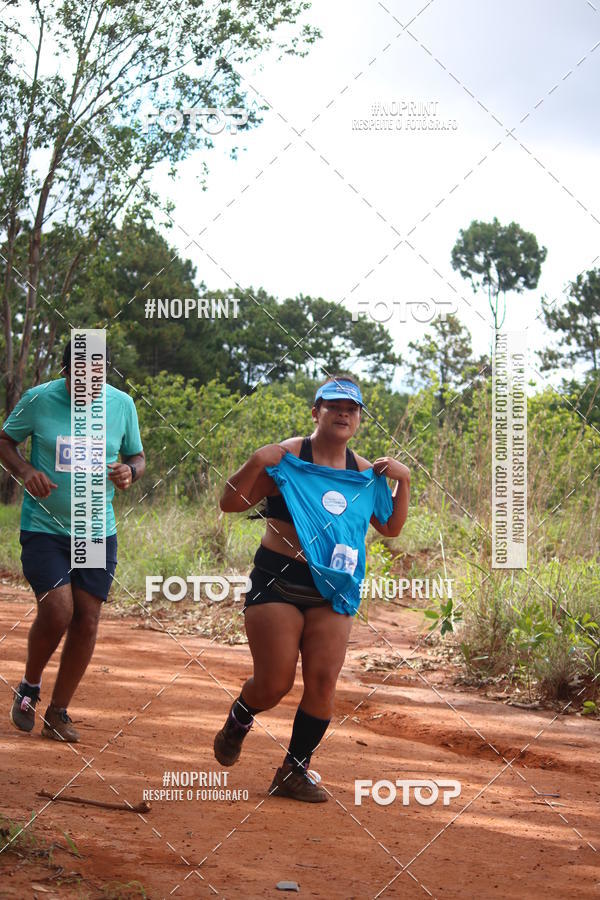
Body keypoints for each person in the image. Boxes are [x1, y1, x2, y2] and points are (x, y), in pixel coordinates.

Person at [213, 374, 410, 802]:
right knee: (275, 683)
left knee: (323, 682)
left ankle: (293, 771)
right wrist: (254, 461)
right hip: (279, 580)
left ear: (358, 418)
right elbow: (229, 503)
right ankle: (241, 718)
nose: (343, 413)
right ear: (316, 410)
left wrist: (404, 481)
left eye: (351, 409)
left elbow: (390, 527)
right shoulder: (286, 457)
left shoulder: (364, 472)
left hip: (334, 589)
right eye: (334, 405)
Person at [1, 339, 145, 742]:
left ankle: (59, 712)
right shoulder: (38, 399)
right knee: (58, 609)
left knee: (87, 618)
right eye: (82, 377)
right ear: (65, 372)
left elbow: (137, 456)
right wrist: (26, 470)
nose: (91, 385)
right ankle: (29, 686)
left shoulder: (121, 405)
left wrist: (130, 472)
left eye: (98, 376)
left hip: (95, 529)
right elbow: (4, 441)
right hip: (45, 528)